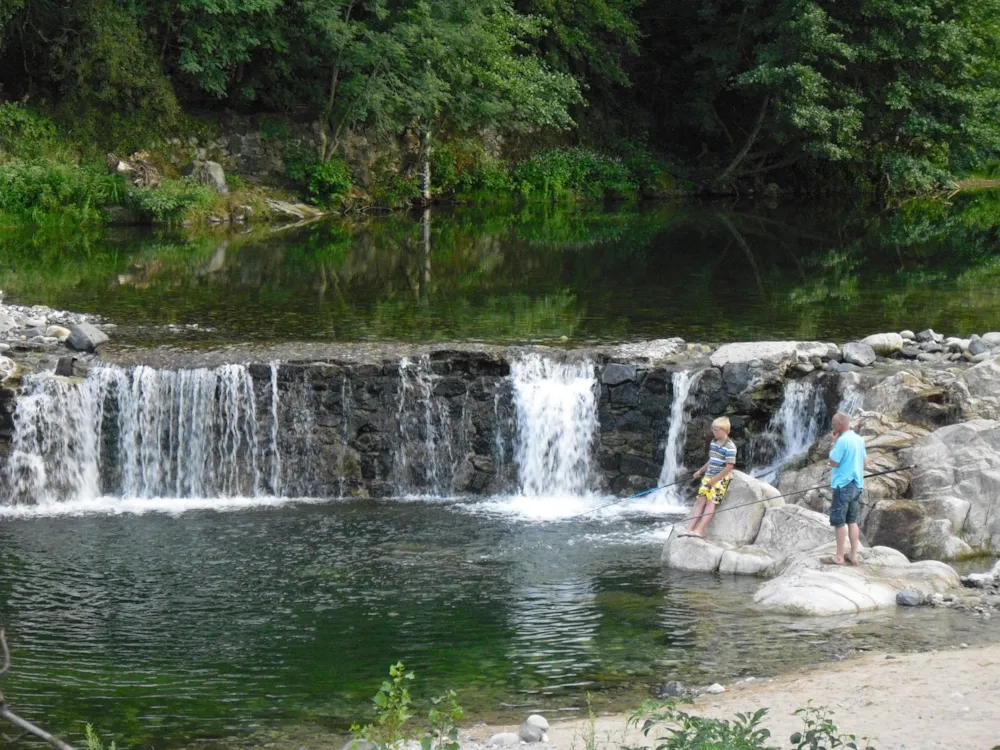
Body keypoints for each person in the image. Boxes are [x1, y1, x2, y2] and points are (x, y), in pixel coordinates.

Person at [679, 416, 737, 538]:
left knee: (711, 503)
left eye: (716, 430)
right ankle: (689, 529)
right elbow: (712, 460)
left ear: (725, 431)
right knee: (700, 501)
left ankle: (700, 530)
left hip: (719, 479)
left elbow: (729, 467)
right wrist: (700, 471)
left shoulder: (730, 447)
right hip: (708, 477)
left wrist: (714, 480)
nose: (713, 432)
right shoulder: (713, 443)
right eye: (713, 429)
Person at [824, 412, 867, 565]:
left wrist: (834, 443)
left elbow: (834, 462)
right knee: (852, 520)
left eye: (834, 424)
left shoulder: (841, 441)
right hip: (857, 485)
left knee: (839, 522)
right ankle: (853, 555)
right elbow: (865, 463)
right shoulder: (859, 439)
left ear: (841, 425)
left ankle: (839, 556)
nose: (833, 427)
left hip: (843, 486)